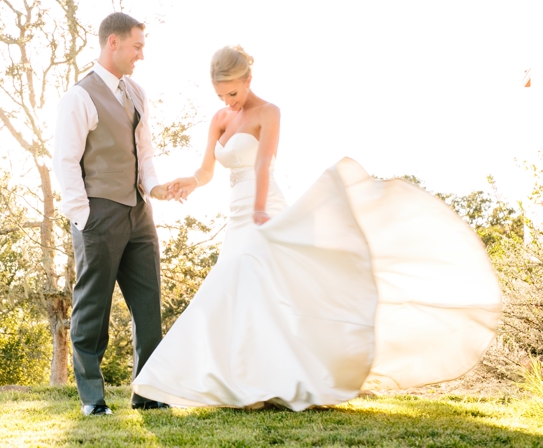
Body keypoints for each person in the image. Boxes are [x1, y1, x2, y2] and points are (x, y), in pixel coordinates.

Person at [131, 45, 502, 410]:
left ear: (248, 79)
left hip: (264, 208)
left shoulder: (268, 113)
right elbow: (207, 171)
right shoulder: (220, 119)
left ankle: (278, 378)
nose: (228, 101)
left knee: (253, 280)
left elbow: (263, 165)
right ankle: (248, 380)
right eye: (220, 95)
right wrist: (188, 183)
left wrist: (260, 211)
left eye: (233, 92)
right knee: (245, 289)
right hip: (236, 214)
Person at [53, 12, 174, 416]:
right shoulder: (80, 96)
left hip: (139, 212)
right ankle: (93, 398)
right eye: (137, 46)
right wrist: (82, 216)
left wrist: (154, 189)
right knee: (93, 308)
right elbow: (66, 161)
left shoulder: (136, 92)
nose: (141, 54)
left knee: (148, 306)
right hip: (98, 214)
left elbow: (146, 151)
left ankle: (148, 392)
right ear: (114, 44)